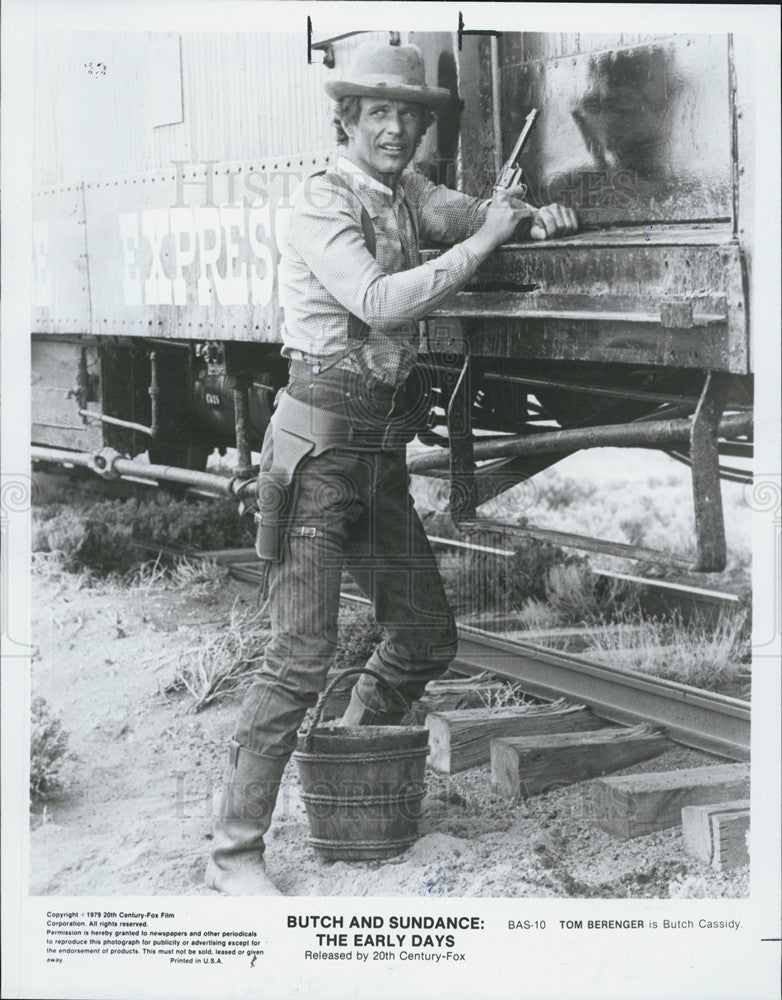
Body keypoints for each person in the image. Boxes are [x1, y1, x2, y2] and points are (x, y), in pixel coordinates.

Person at [206, 40, 578, 896]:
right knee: (300, 653)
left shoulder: (409, 191)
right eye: (381, 112)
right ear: (346, 119)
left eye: (411, 115)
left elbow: (477, 210)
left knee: (424, 635)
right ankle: (234, 851)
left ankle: (348, 759)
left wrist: (525, 214)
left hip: (375, 456)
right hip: (318, 456)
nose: (399, 128)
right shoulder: (317, 205)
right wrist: (486, 240)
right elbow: (377, 300)